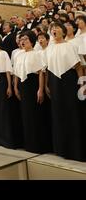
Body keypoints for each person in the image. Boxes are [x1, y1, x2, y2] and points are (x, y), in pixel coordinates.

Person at [45, 22, 86, 161]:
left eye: (56, 28)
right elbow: (46, 69)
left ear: (63, 31)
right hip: (54, 83)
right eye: (52, 29)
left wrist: (82, 85)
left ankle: (76, 149)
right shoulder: (49, 49)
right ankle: (62, 148)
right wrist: (46, 85)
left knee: (72, 112)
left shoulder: (70, 46)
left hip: (69, 82)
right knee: (58, 114)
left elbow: (79, 67)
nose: (54, 30)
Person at [13, 31, 52, 154]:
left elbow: (41, 72)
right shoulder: (18, 55)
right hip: (23, 86)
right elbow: (16, 73)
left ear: (31, 40)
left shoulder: (37, 54)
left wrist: (40, 89)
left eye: (25, 39)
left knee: (36, 115)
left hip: (33, 85)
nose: (22, 41)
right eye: (21, 39)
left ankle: (40, 145)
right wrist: (15, 87)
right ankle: (29, 144)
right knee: (26, 115)